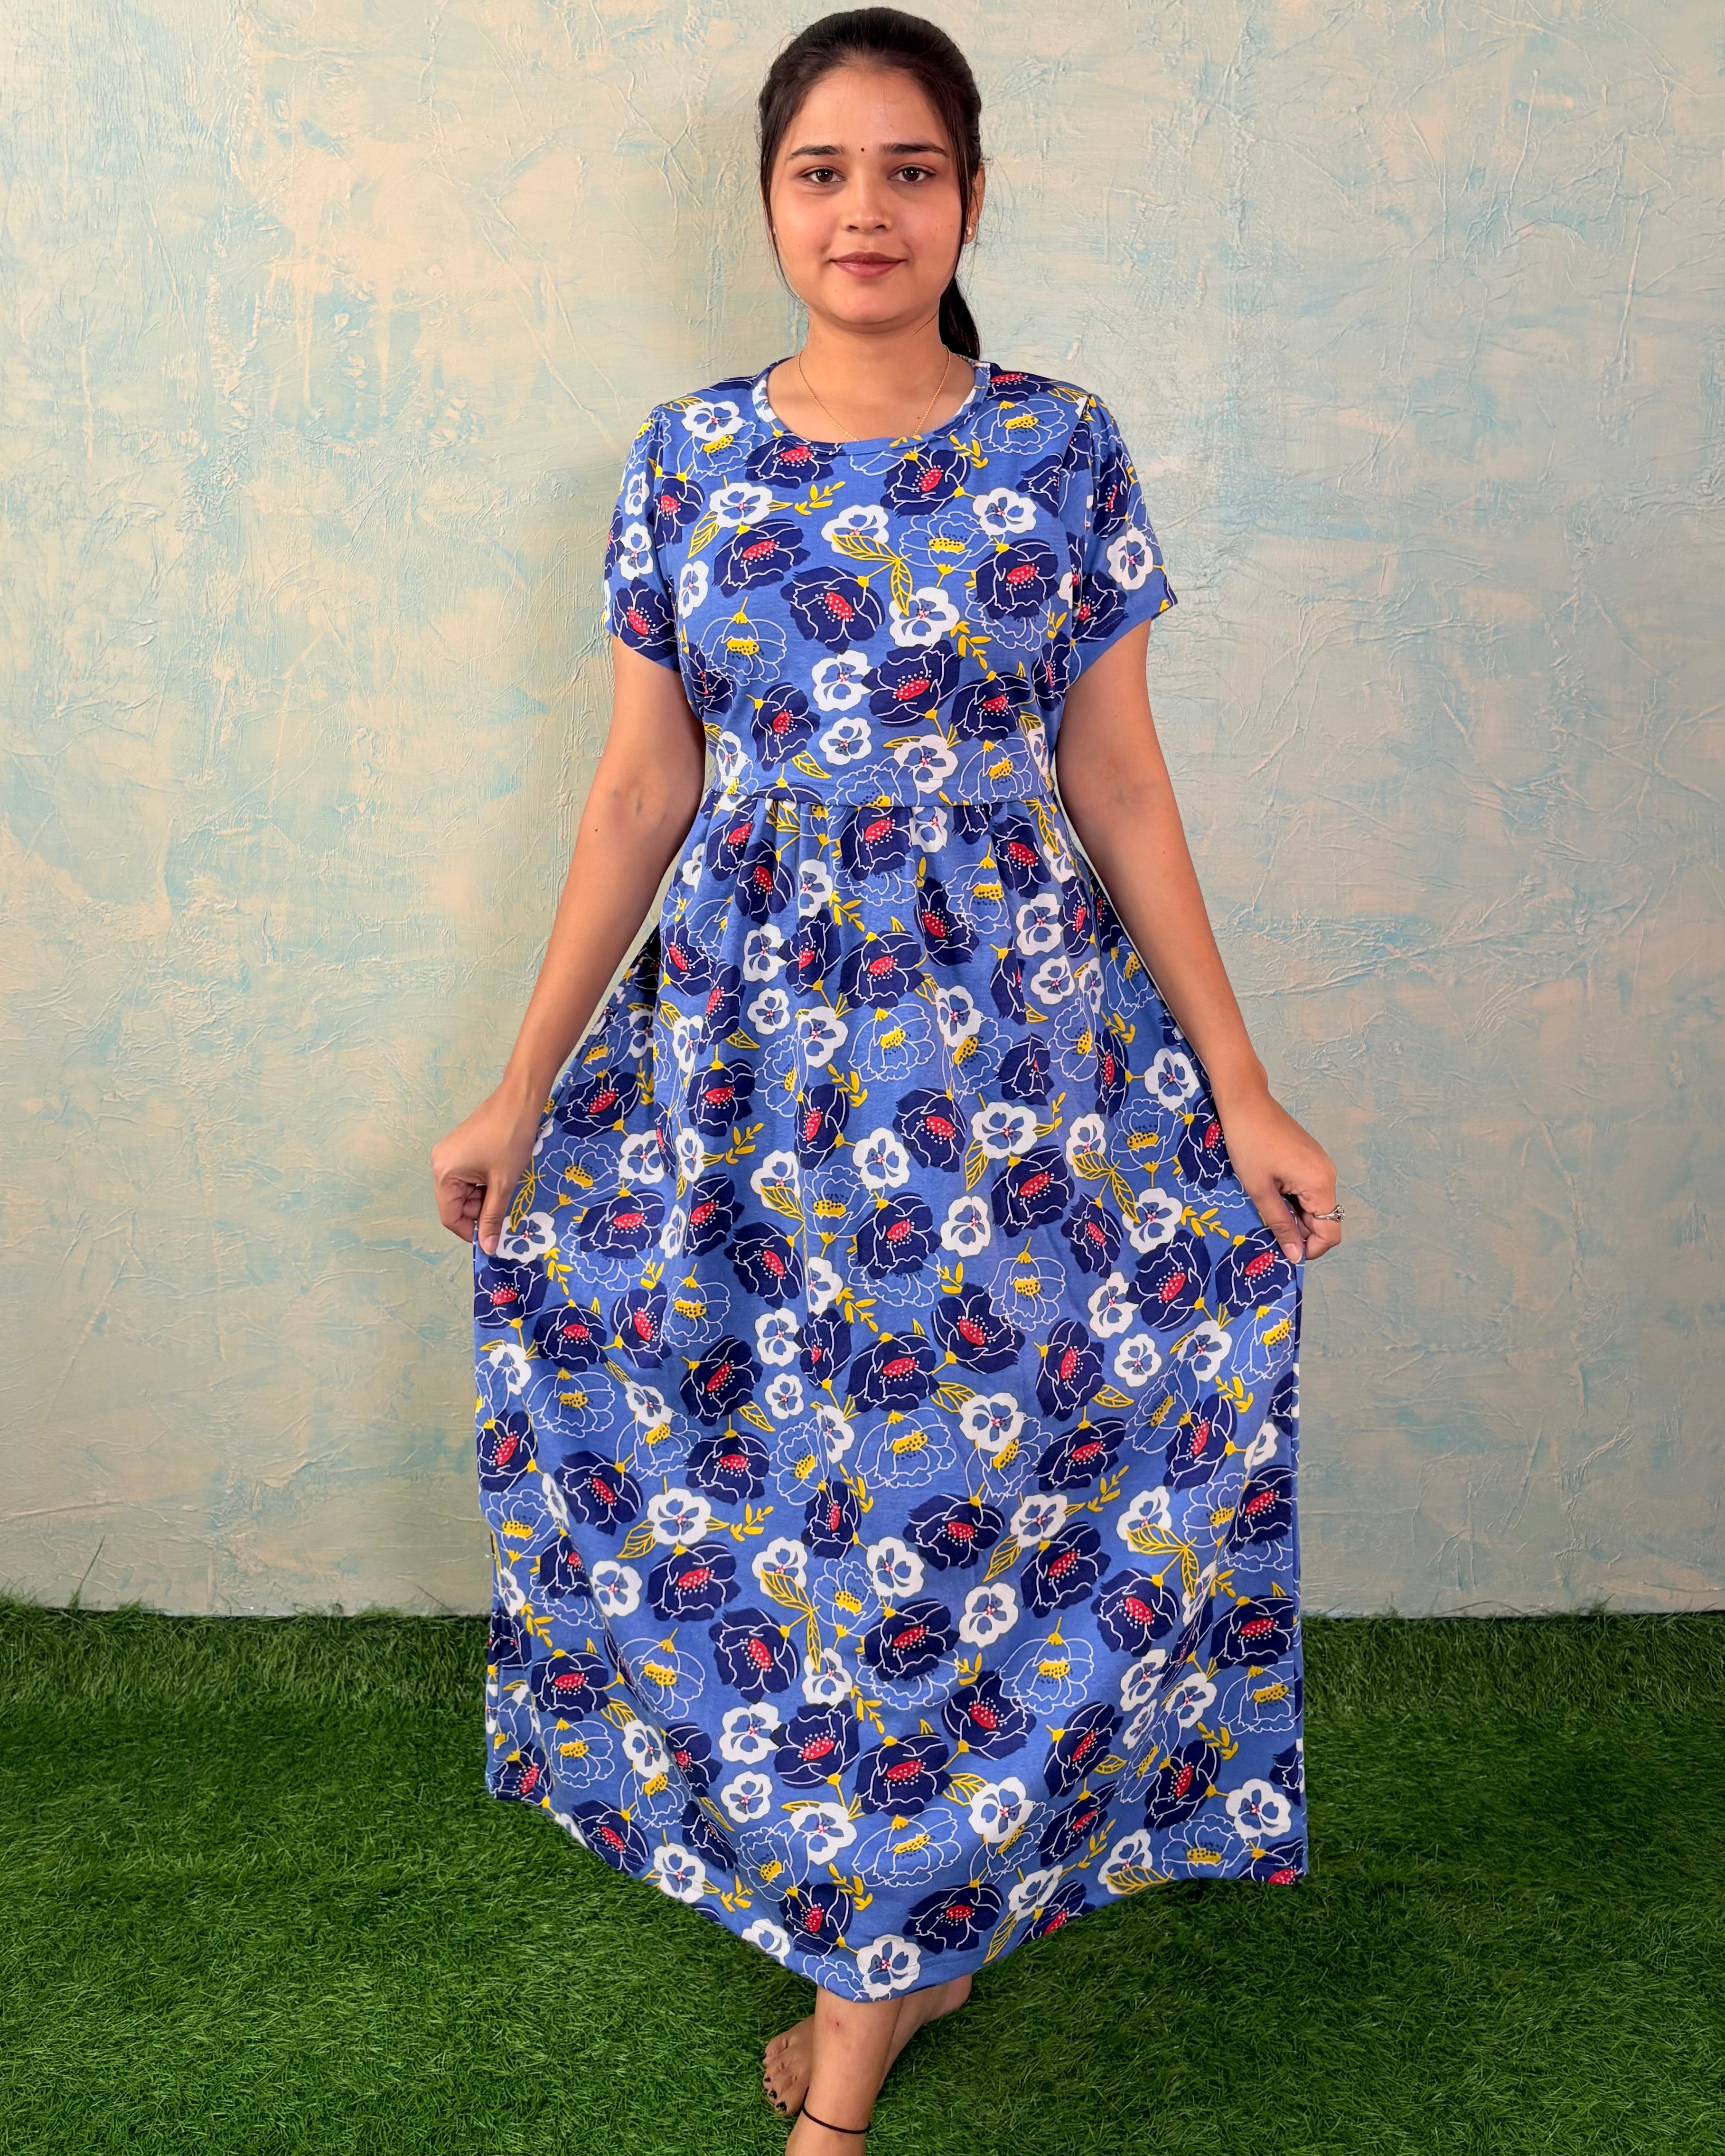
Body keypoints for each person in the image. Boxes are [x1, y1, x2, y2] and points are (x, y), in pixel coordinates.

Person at [432, 9, 1341, 2148]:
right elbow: (640, 789)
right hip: (745, 1075)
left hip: (1018, 1071)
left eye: (909, 169)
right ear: (769, 201)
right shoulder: (684, 458)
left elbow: (1118, 779)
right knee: (783, 1507)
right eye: (823, 171)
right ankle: (902, 1947)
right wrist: (519, 1088)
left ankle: (852, 2050)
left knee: (959, 1514)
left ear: (972, 198)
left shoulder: (1061, 445)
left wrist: (1242, 1087)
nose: (866, 210)